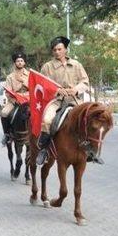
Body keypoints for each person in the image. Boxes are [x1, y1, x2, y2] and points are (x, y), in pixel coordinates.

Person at [36, 36, 90, 165]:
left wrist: (76, 89)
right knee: (47, 120)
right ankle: (44, 150)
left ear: (65, 50)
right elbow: (42, 85)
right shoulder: (47, 67)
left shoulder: (76, 64)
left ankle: (89, 149)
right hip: (56, 100)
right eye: (54, 50)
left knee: (88, 118)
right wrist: (56, 90)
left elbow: (85, 82)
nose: (57, 52)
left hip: (74, 99)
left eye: (59, 49)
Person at [0, 52, 30, 146]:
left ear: (24, 63)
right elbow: (8, 92)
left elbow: (33, 88)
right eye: (18, 61)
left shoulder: (29, 75)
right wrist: (14, 101)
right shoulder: (10, 77)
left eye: (21, 61)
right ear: (15, 63)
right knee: (4, 112)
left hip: (28, 100)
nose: (20, 62)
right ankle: (7, 134)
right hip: (14, 101)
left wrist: (24, 81)